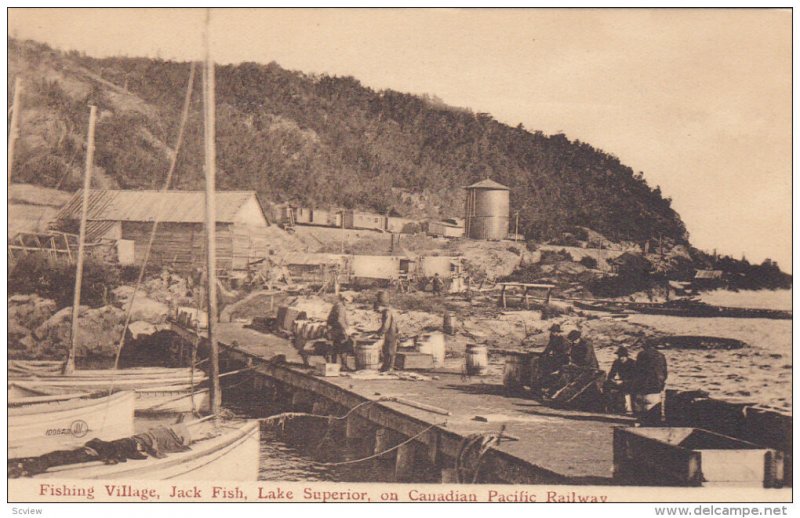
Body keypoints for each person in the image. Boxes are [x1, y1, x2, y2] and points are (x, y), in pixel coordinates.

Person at [632, 341, 668, 419]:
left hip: (643, 387)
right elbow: (665, 372)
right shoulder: (661, 356)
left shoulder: (641, 354)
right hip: (657, 387)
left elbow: (637, 371)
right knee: (654, 409)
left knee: (642, 410)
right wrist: (661, 383)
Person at [326, 293, 354, 370]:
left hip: (334, 330)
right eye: (348, 302)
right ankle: (343, 366)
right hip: (338, 331)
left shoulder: (337, 305)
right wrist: (346, 329)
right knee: (343, 347)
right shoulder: (341, 307)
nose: (348, 304)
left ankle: (334, 366)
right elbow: (340, 320)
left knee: (336, 348)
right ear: (345, 300)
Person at [606, 346, 636, 414]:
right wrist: (612, 380)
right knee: (606, 385)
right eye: (619, 356)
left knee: (632, 388)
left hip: (631, 383)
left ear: (626, 356)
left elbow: (635, 378)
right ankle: (611, 408)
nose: (621, 358)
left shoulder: (633, 363)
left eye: (623, 356)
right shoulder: (616, 362)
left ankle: (632, 409)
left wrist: (624, 381)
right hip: (620, 382)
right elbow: (611, 374)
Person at [374, 291, 399, 372]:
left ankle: (390, 367)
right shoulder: (390, 310)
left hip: (391, 332)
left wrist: (379, 333)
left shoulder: (387, 312)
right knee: (386, 349)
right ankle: (386, 366)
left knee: (390, 350)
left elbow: (386, 326)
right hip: (392, 332)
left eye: (377, 309)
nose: (377, 311)